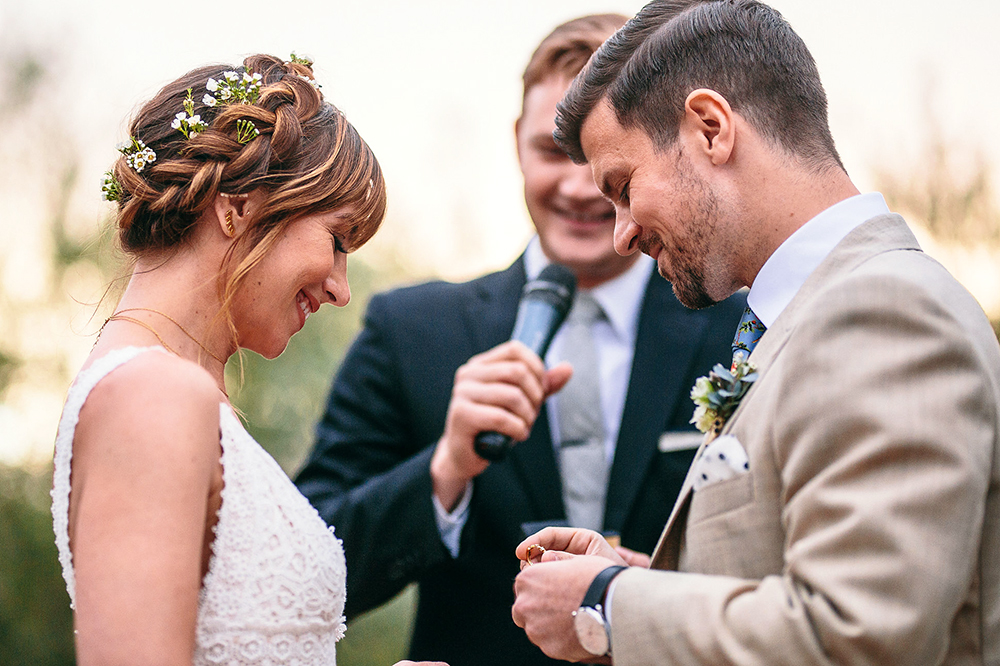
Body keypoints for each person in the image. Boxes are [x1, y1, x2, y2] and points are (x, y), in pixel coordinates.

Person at [510, 1, 1000, 664]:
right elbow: (793, 582)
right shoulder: (807, 315)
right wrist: (632, 580)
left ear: (711, 128)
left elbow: (858, 637)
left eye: (623, 186)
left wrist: (606, 604)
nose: (622, 232)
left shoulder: (885, 313)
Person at [294, 14, 746, 666]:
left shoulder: (739, 330)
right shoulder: (412, 332)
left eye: (604, 160)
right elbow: (306, 569)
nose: (577, 185)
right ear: (515, 143)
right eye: (551, 150)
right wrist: (445, 469)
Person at [50, 53, 446, 666]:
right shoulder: (154, 396)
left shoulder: (177, 391)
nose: (341, 287)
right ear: (238, 207)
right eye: (336, 240)